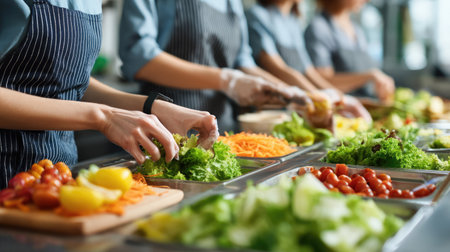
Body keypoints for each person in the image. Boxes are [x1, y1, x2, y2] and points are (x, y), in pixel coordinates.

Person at [0, 0, 218, 188]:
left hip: (56, 177)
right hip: (6, 174)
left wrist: (151, 106)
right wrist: (103, 118)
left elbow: (69, 82)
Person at [118, 0, 332, 133]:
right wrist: (227, 80)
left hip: (225, 130)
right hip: (166, 129)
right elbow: (138, 56)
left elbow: (242, 61)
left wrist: (291, 93)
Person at [246, 0, 372, 122]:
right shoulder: (257, 15)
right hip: (270, 112)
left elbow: (308, 71)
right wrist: (320, 98)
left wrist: (340, 98)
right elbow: (278, 68)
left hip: (298, 109)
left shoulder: (293, 21)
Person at [304, 0, 395, 103]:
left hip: (366, 105)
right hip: (341, 109)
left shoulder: (357, 30)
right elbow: (321, 81)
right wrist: (369, 76)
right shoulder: (319, 28)